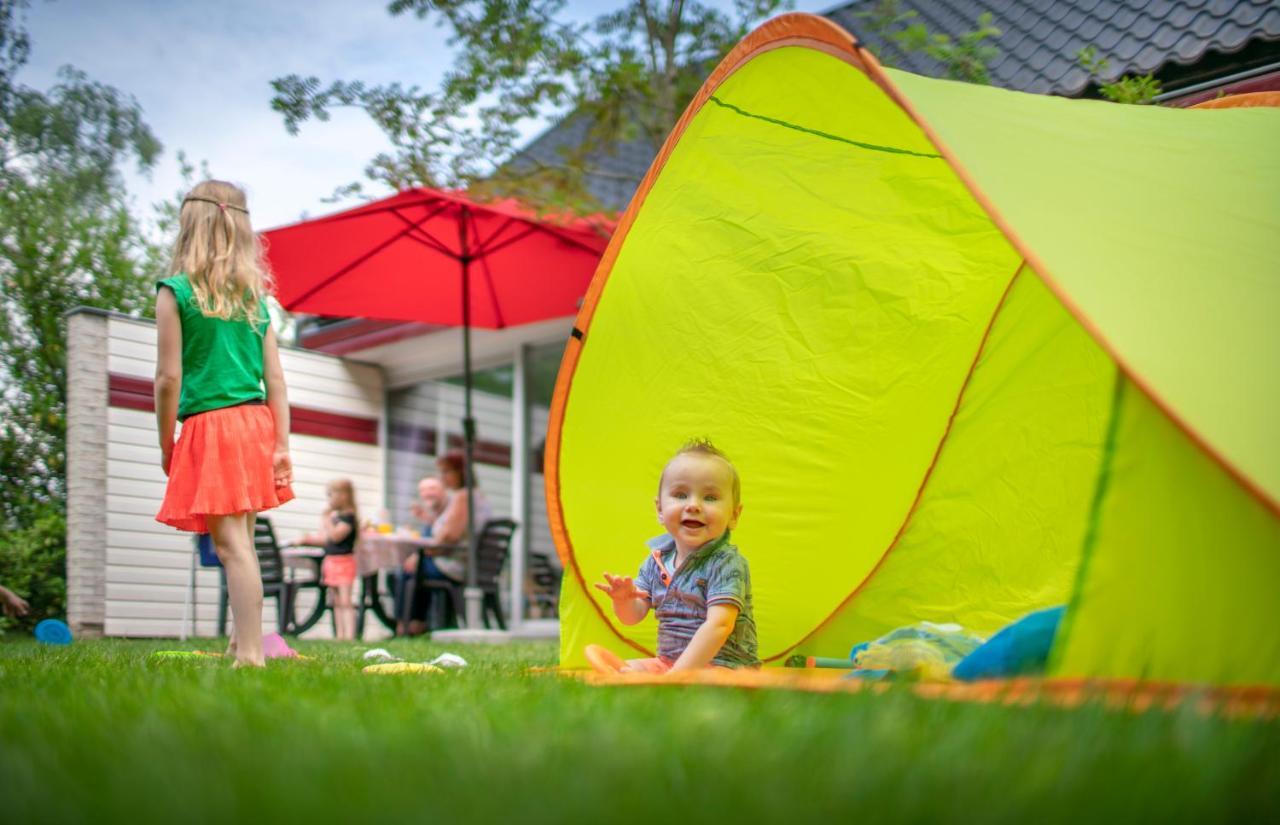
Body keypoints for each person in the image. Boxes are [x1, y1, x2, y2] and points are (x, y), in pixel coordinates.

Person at [153, 180, 294, 668]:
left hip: (211, 425)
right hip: (256, 422)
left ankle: (251, 654)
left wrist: (165, 441)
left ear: (189, 226)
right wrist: (281, 443)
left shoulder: (175, 293)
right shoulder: (255, 299)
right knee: (243, 540)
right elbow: (275, 377)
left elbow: (168, 377)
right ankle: (241, 640)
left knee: (231, 545)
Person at [589, 438, 759, 674]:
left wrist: (677, 676)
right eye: (680, 495)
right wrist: (623, 601)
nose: (693, 505)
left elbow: (719, 625)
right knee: (629, 669)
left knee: (711, 680)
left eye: (710, 497)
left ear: (734, 515)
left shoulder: (726, 562)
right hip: (669, 663)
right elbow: (632, 617)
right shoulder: (655, 562)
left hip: (725, 665)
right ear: (659, 510)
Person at [395, 451, 492, 635]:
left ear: (461, 472)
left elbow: (449, 538)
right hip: (460, 561)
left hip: (454, 565)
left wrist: (420, 554)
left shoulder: (465, 497)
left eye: (447, 472)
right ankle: (416, 623)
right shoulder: (475, 496)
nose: (443, 477)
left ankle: (407, 626)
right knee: (412, 568)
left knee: (405, 571)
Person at [297, 479, 360, 640]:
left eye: (331, 495)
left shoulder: (348, 517)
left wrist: (326, 519)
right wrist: (306, 539)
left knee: (345, 600)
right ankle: (340, 634)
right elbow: (326, 540)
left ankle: (350, 635)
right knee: (336, 601)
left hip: (344, 562)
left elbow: (335, 536)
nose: (329, 500)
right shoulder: (336, 518)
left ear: (344, 495)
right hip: (331, 561)